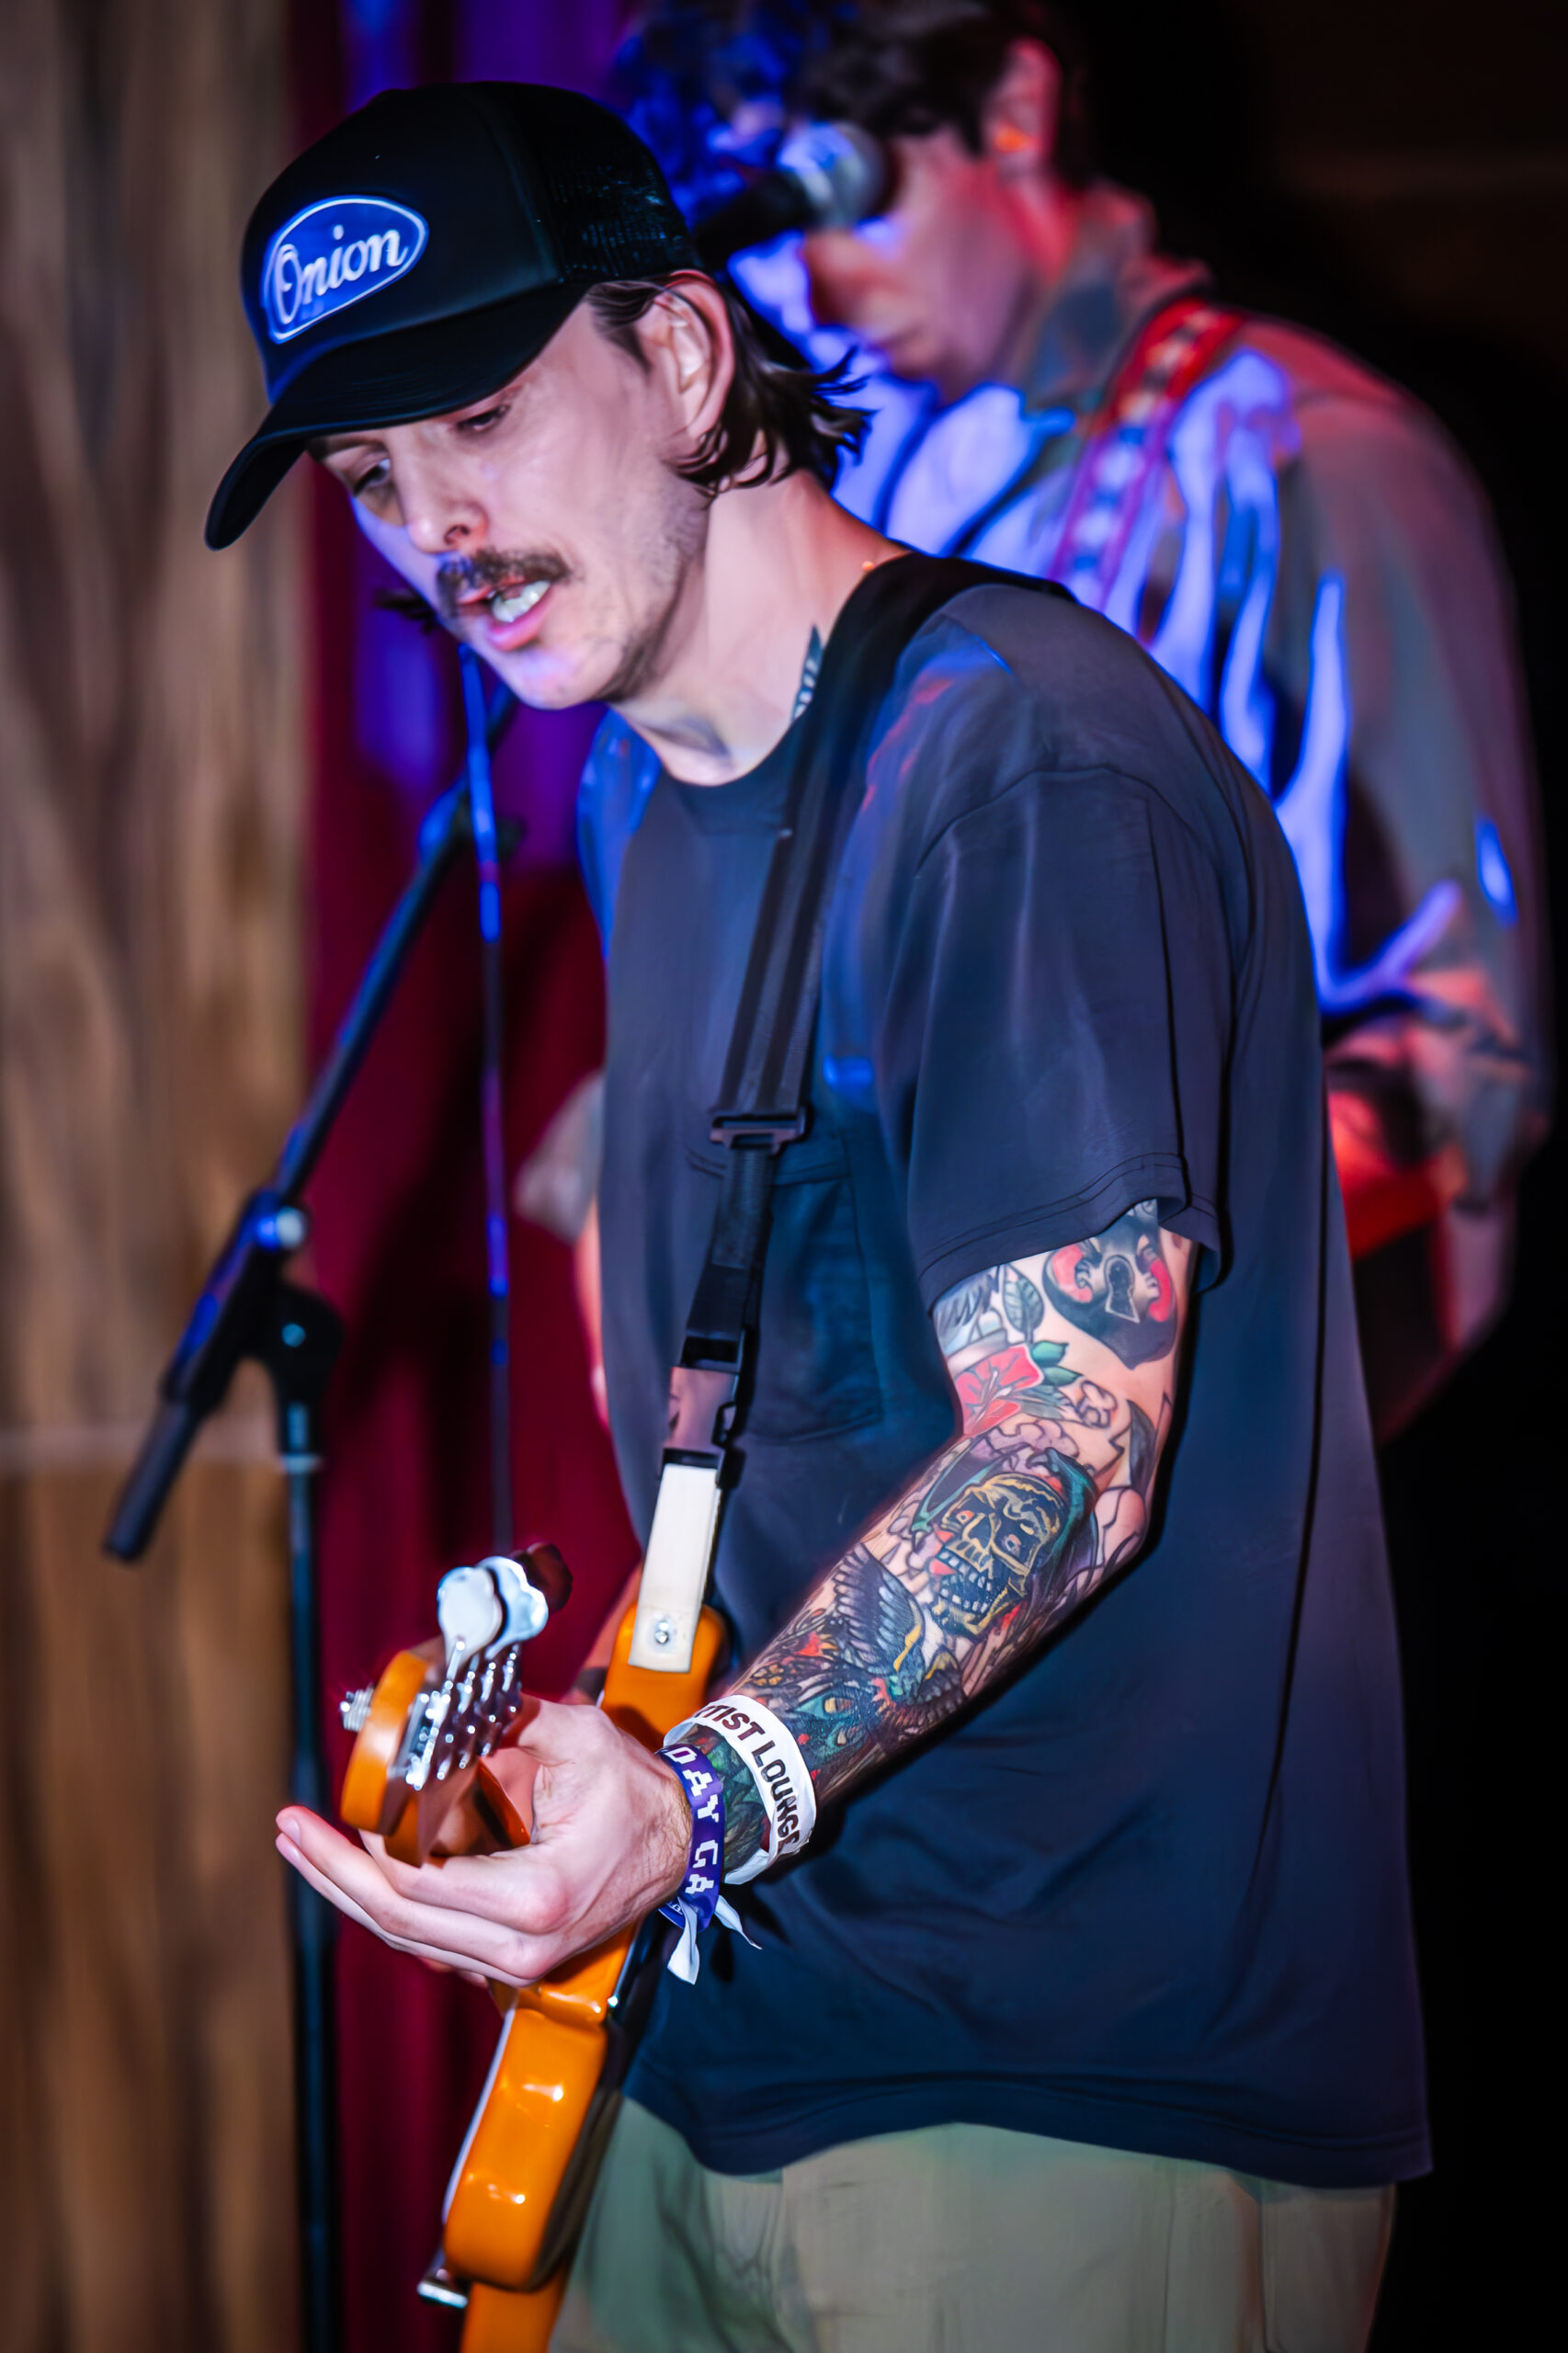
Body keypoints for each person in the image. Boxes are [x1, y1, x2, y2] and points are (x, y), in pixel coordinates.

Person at [211, 81, 1426, 2348]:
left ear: (680, 359)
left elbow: (1071, 1456)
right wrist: (603, 1758)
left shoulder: (1014, 759)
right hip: (733, 2022)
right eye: (370, 480)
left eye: (477, 415)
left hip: (1070, 2076)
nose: (435, 528)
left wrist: (696, 1792)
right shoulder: (645, 802)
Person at [579, 0, 1550, 1444]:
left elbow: (1446, 1071)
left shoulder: (1306, 459)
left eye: (839, 196)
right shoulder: (859, 484)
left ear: (1014, 108)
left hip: (1246, 1451)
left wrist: (1034, 1267)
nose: (816, 295)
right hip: (899, 1446)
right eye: (762, 247)